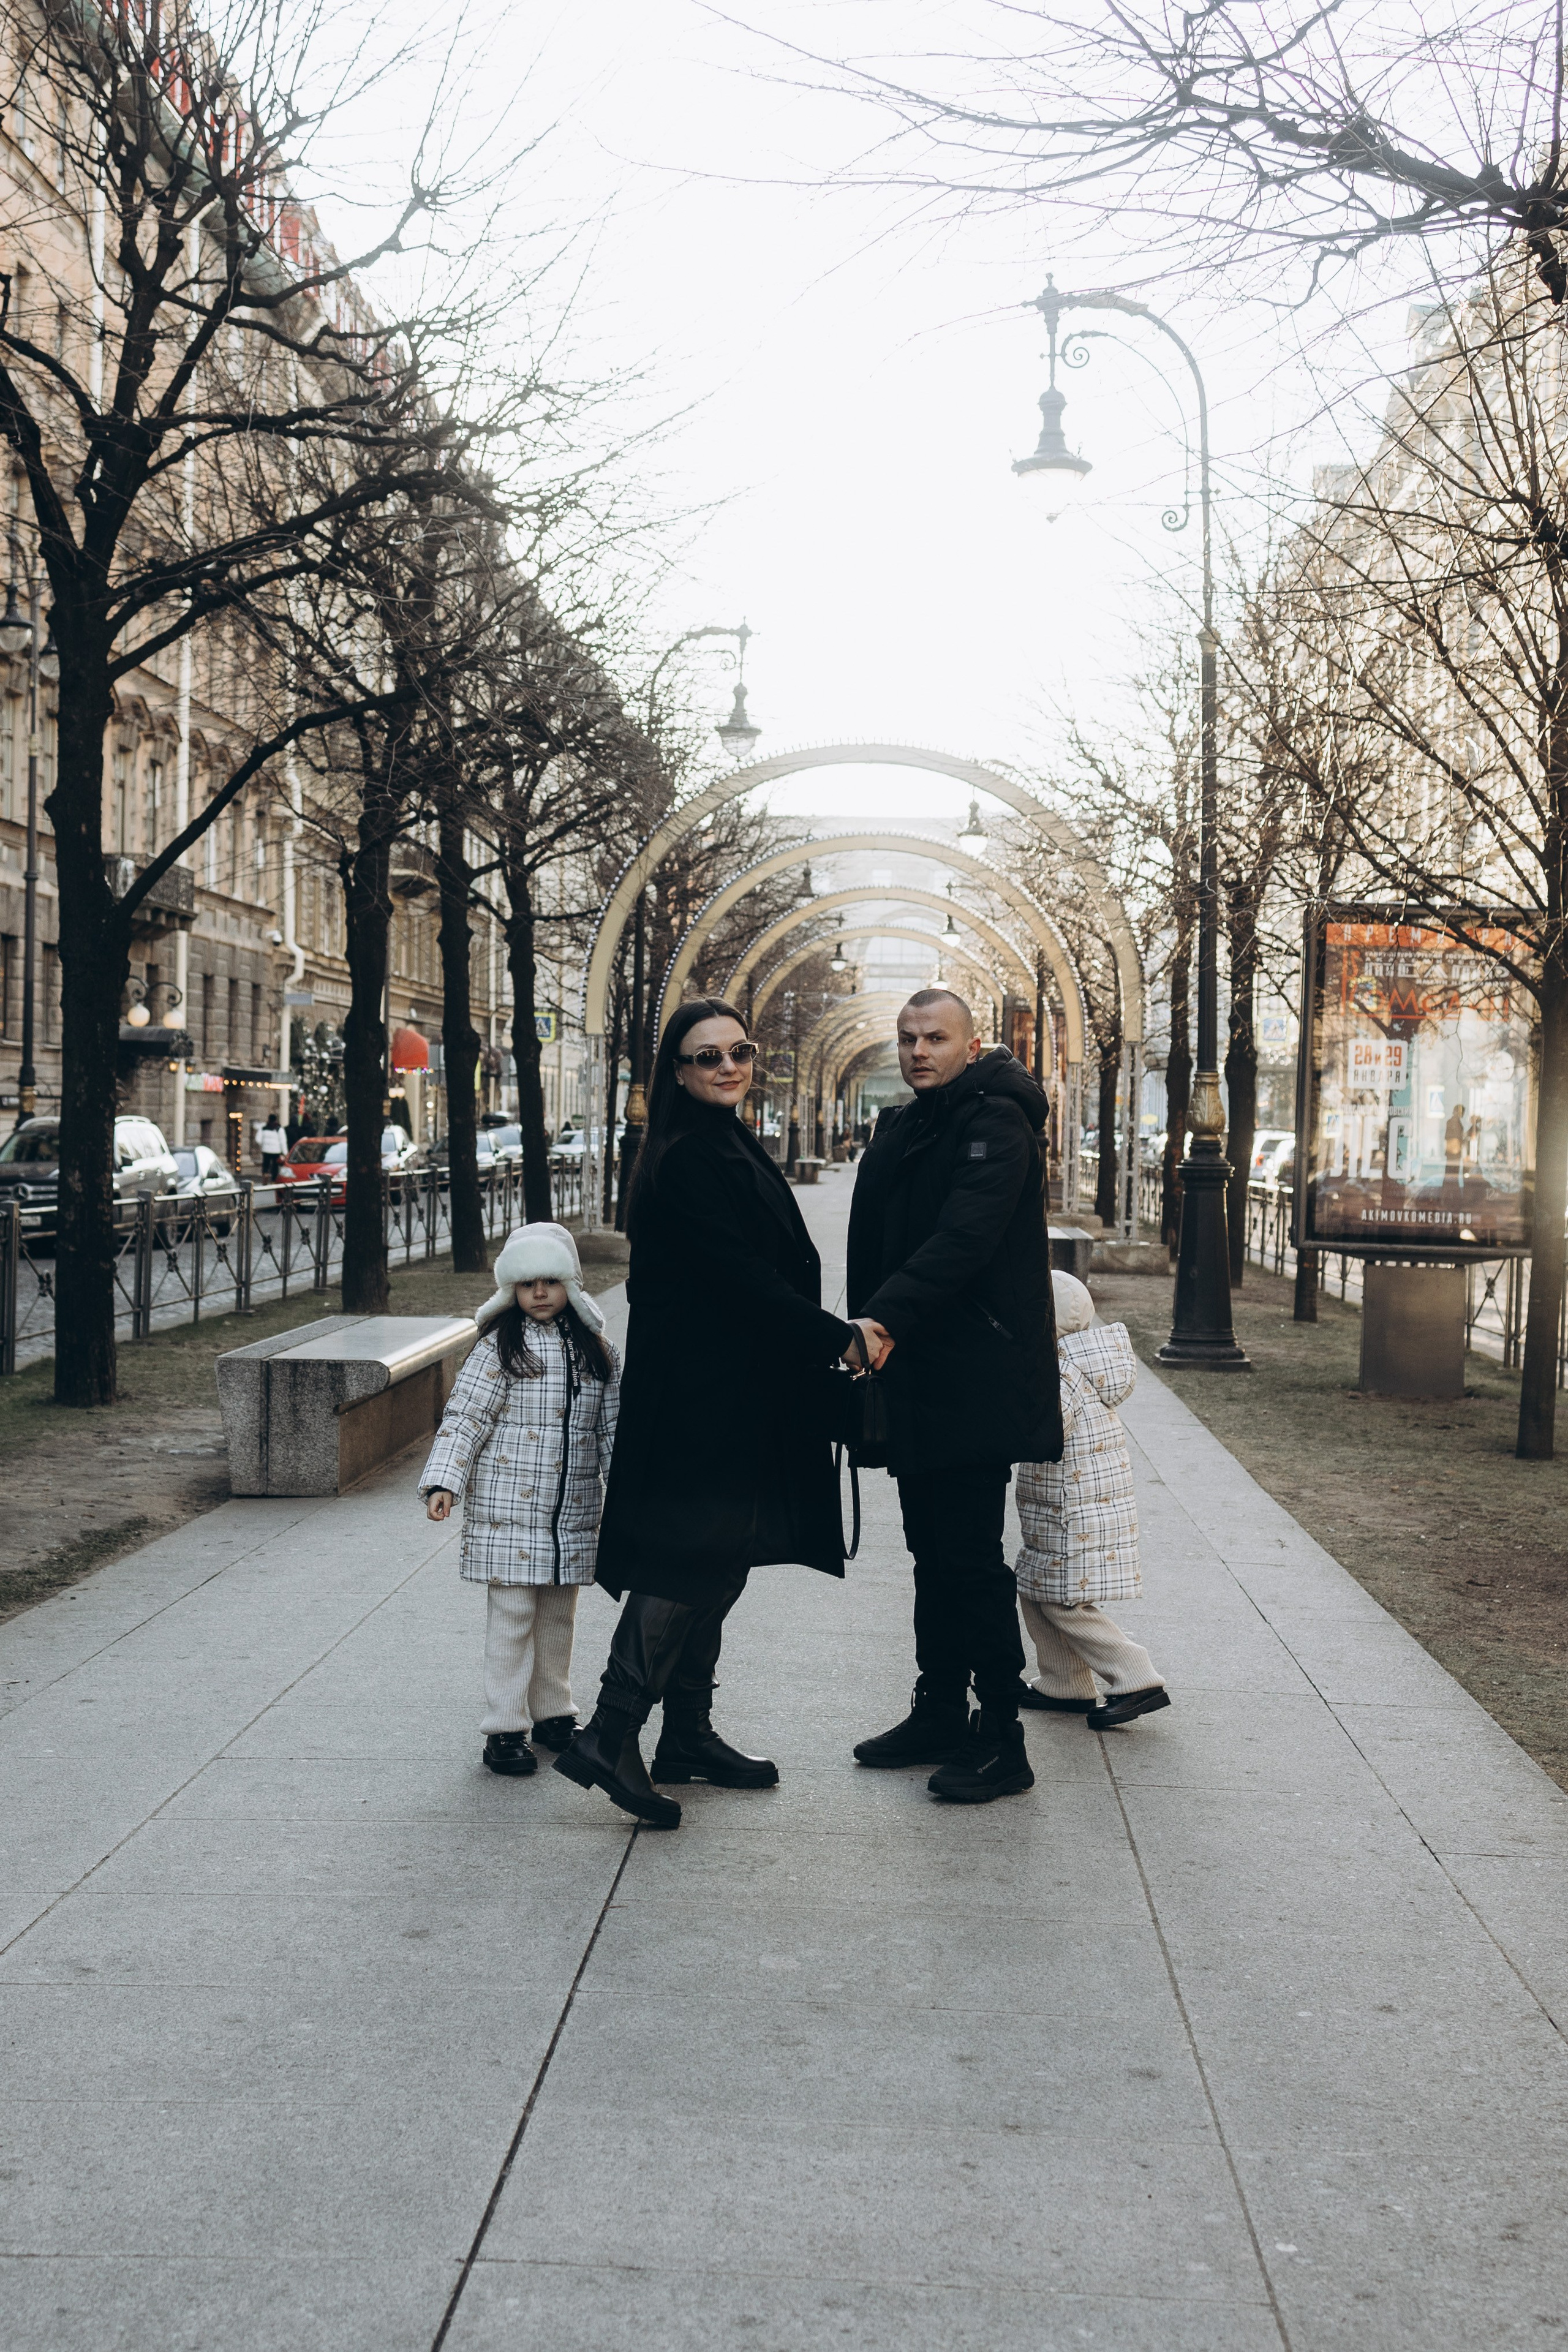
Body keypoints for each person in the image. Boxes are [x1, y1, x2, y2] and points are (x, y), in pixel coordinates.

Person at [555, 997, 888, 1831]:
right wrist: (837, 1339)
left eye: (738, 1050)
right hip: (704, 1399)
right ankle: (611, 1733)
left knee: (724, 1557)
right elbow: (740, 1278)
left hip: (733, 1390)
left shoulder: (721, 1139)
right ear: (676, 1071)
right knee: (689, 1560)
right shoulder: (689, 1158)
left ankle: (689, 1735)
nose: (728, 1066)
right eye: (707, 1057)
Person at [846, 989, 1062, 1804]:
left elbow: (966, 1236)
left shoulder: (996, 1119)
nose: (918, 1051)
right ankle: (937, 1708)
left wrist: (882, 1319)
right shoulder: (907, 1125)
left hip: (974, 1374)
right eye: (907, 1038)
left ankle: (1001, 1735)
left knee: (970, 1560)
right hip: (914, 1373)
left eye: (935, 1037)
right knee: (929, 1553)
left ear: (973, 1046)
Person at [420, 1224, 619, 1778]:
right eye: (527, 1283)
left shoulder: (597, 1352)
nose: (538, 1294)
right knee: (511, 1619)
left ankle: (554, 1712)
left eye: (550, 1282)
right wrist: (445, 1482)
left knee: (558, 1617)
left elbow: (611, 1430)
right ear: (511, 1289)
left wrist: (627, 1494)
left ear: (570, 1285)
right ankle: (505, 1727)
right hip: (509, 1513)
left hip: (572, 1513)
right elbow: (465, 1418)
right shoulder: (497, 1348)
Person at [1014, 1272, 1169, 1730]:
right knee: (1035, 1589)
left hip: (1073, 1512)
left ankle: (1136, 1676)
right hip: (1066, 1506)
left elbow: (1042, 1430)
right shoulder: (1071, 1361)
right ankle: (1065, 1681)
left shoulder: (1061, 1372)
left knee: (1065, 1602)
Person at [257, 1114, 287, 1180]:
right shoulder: (279, 1129)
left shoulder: (264, 1128)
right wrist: (285, 1152)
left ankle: (265, 1174)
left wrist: (263, 1145)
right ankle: (274, 1179)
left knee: (266, 1164)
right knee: (275, 1166)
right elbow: (283, 1142)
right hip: (276, 1151)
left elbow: (258, 1139)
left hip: (266, 1150)